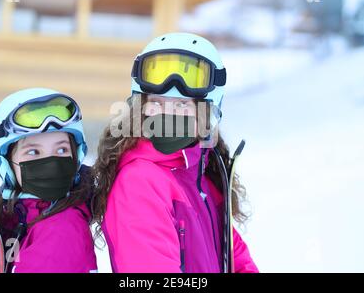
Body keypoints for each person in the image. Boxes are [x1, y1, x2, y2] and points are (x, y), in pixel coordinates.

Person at [91, 33, 258, 273]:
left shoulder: (201, 173)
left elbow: (236, 259)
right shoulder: (140, 183)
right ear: (140, 108)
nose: (167, 115)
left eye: (182, 105)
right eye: (157, 103)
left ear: (207, 113)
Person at [0, 88, 97, 273]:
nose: (51, 163)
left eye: (62, 150)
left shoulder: (60, 230)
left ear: (76, 156)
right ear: (6, 164)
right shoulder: (12, 220)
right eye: (33, 152)